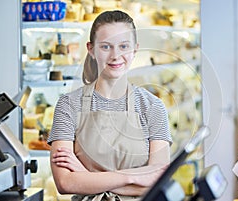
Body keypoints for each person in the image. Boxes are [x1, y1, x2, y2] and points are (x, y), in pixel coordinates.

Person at [47, 10, 172, 201]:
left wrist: (87, 178)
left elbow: (159, 182)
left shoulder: (152, 106)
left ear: (135, 50)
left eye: (124, 46)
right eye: (106, 47)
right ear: (91, 49)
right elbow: (65, 183)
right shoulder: (68, 105)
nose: (116, 56)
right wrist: (132, 176)